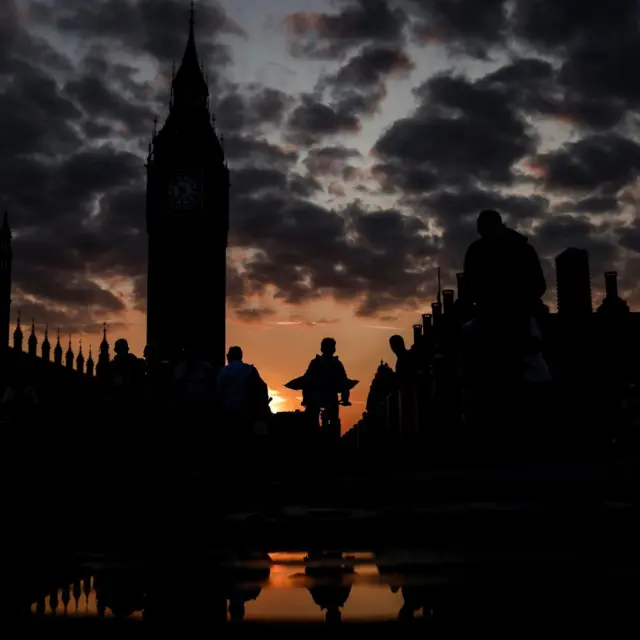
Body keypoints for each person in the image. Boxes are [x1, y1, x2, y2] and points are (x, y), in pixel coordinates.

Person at [303, 338, 351, 438]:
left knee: (330, 421)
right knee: (313, 421)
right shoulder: (333, 363)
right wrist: (345, 398)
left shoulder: (333, 364)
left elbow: (343, 382)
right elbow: (307, 381)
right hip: (320, 398)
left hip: (326, 398)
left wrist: (345, 398)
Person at [216, 346, 269, 435]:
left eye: (227, 355)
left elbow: (217, 391)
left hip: (227, 415)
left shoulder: (223, 372)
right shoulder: (249, 370)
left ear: (230, 357)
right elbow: (262, 388)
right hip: (246, 415)